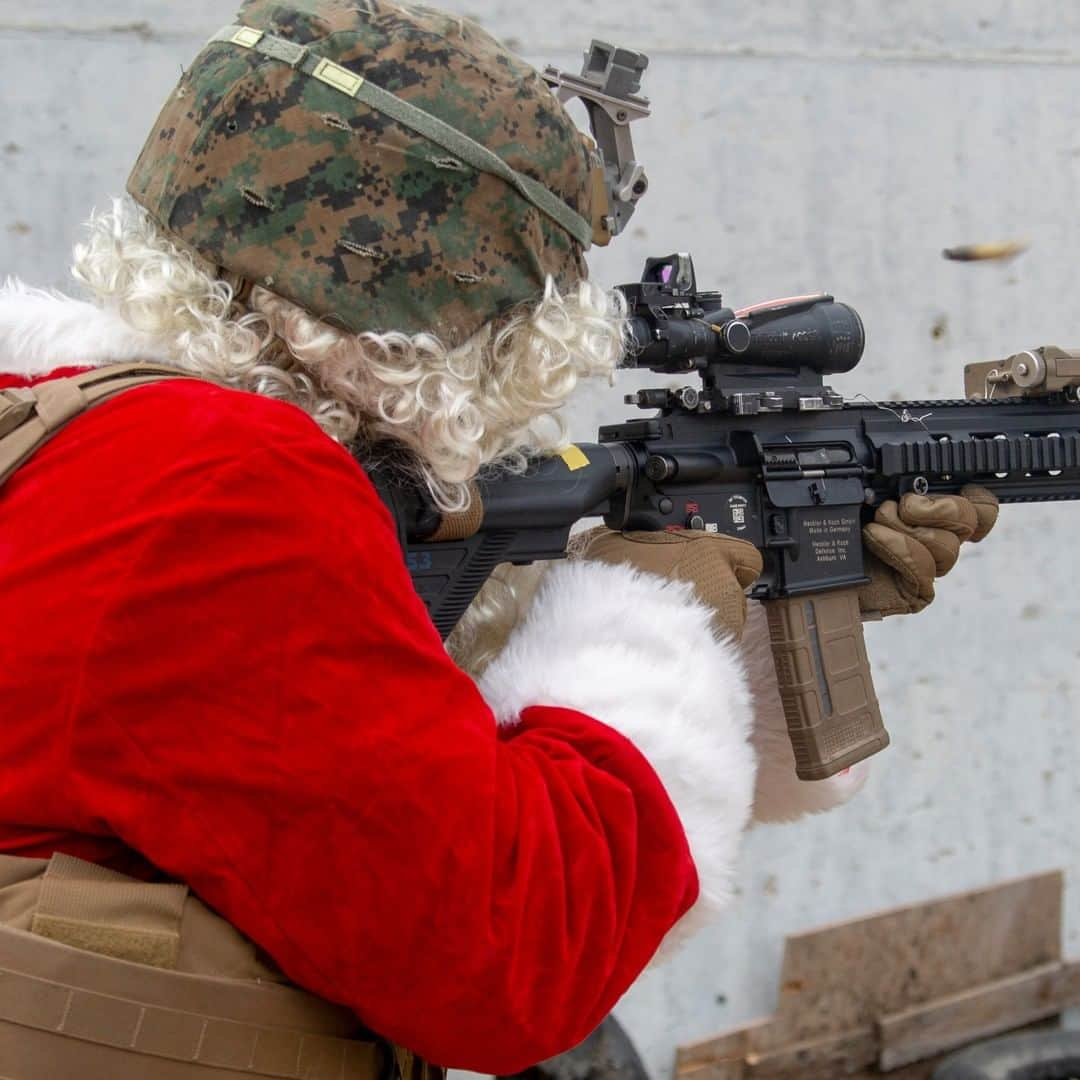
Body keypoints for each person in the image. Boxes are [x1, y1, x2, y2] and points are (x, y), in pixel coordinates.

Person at [0, 1, 997, 1076]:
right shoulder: (227, 485)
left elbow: (343, 788)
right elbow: (512, 955)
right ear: (416, 338)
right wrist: (652, 615)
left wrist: (762, 606)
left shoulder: (64, 423)